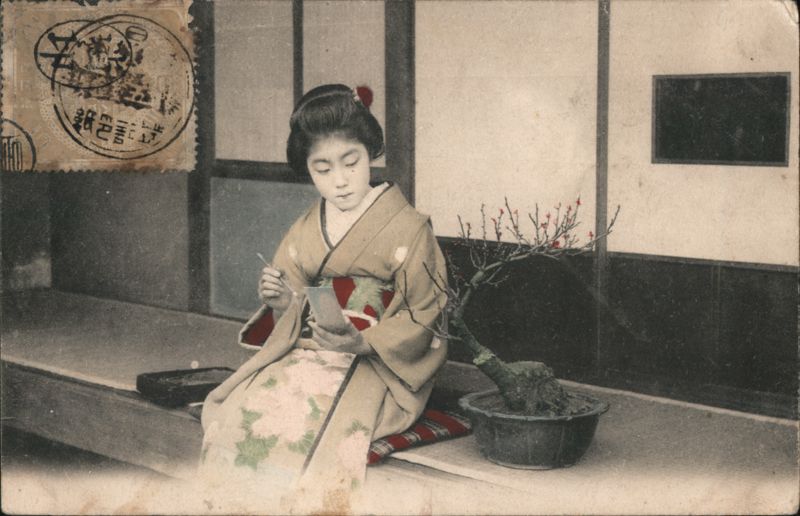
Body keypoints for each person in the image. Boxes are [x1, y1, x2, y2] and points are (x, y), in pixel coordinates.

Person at [198, 84, 448, 507]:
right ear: (309, 171)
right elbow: (292, 298)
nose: (341, 180)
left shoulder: (410, 228)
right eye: (323, 169)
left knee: (317, 430)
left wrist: (364, 341)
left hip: (378, 362)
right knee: (241, 414)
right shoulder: (305, 228)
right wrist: (280, 301)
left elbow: (427, 310)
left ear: (370, 153)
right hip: (309, 348)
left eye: (351, 162)